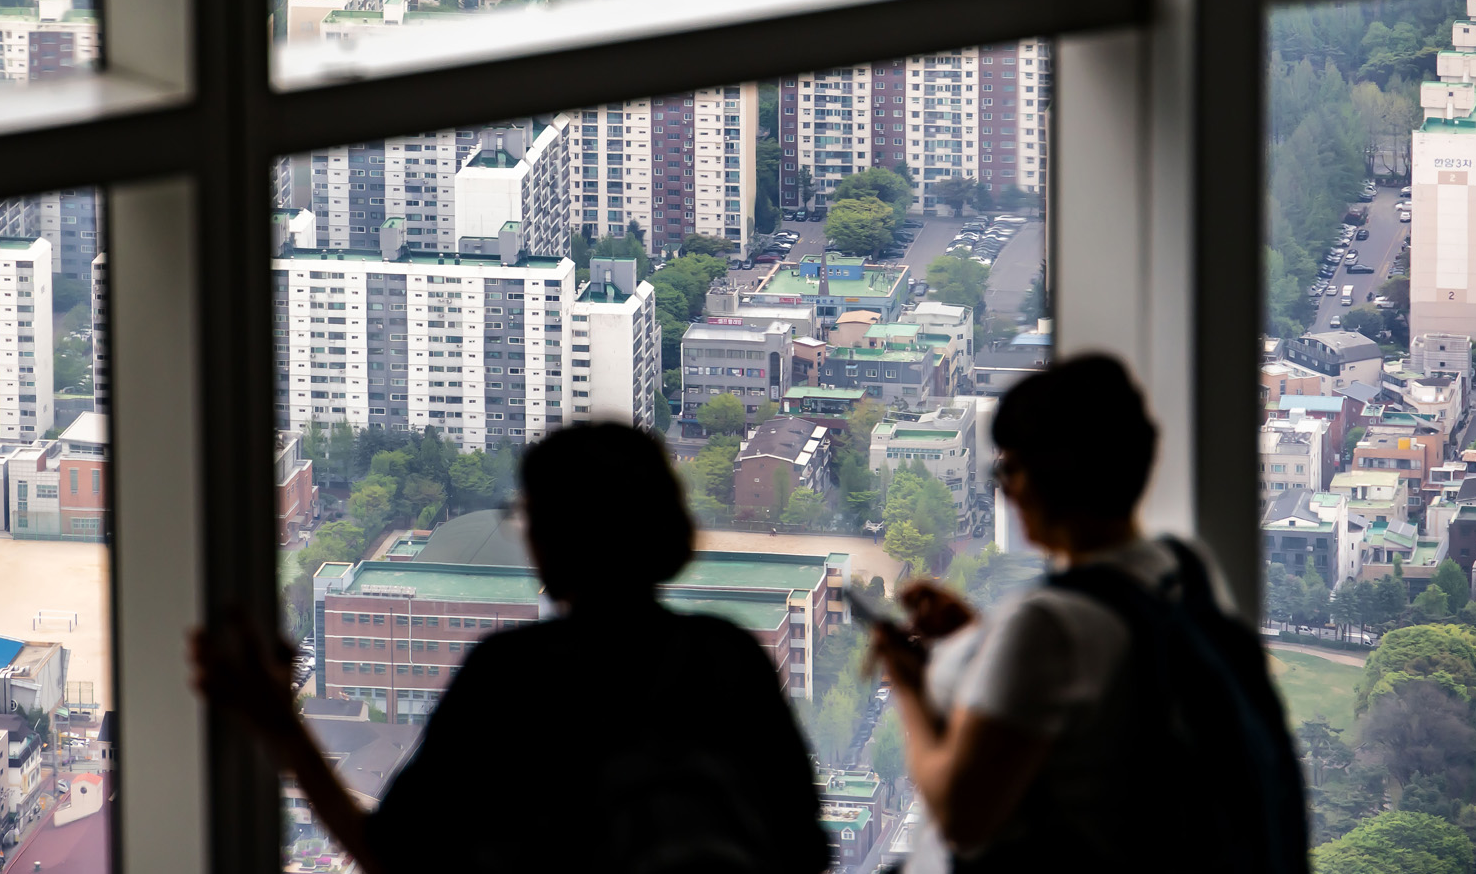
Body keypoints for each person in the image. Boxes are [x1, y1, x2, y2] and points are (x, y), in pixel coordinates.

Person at [194, 422, 831, 874]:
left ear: (549, 539)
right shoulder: (727, 660)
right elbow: (803, 849)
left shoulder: (514, 674)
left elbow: (393, 854)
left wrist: (281, 725)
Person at [868, 354, 1306, 874]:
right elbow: (1096, 688)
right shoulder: (1184, 569)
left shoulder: (1046, 626)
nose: (1005, 487)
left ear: (1046, 476)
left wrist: (910, 687)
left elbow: (961, 817)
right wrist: (977, 641)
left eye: (1009, 467)